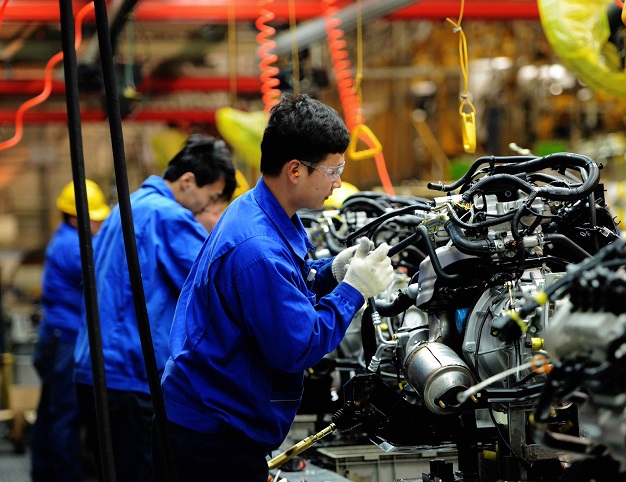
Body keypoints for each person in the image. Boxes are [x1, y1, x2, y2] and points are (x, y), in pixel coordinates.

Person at [158, 93, 394, 482]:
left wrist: (333, 271)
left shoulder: (261, 210)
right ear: (296, 170)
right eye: (333, 172)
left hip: (213, 420)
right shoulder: (257, 247)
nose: (338, 183)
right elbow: (297, 345)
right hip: (210, 439)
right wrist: (354, 290)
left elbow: (288, 283)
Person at [72, 134, 236, 482]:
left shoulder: (127, 207)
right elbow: (214, 282)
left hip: (93, 369)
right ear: (188, 181)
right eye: (211, 200)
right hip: (130, 376)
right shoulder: (168, 216)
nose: (206, 211)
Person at [30, 179, 111, 482]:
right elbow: (108, 272)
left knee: (50, 413)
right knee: (65, 418)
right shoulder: (72, 246)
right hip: (64, 341)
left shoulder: (66, 239)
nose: (100, 225)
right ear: (76, 218)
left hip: (55, 339)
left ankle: (43, 473)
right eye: (96, 219)